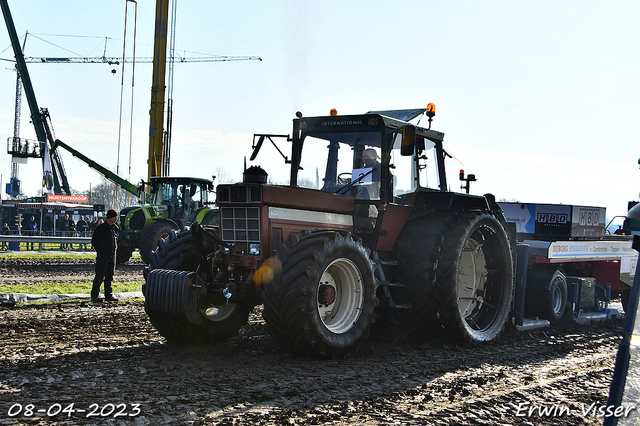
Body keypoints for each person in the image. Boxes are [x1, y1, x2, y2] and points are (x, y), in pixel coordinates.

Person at [90, 209, 119, 302]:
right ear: (110, 217)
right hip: (103, 256)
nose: (116, 219)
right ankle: (94, 295)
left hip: (112, 255)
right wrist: (100, 250)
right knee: (100, 275)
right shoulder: (101, 228)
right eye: (115, 217)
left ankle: (108, 294)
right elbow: (94, 241)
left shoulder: (115, 228)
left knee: (110, 276)